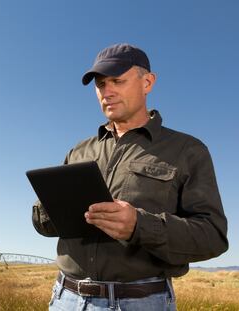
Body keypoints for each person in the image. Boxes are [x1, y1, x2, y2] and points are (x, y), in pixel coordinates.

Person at [32, 43, 228, 311]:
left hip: (141, 302)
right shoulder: (79, 151)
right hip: (66, 298)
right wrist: (47, 209)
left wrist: (139, 225)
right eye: (100, 84)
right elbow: (45, 225)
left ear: (147, 82)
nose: (107, 92)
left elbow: (213, 237)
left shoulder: (188, 150)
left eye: (117, 81)